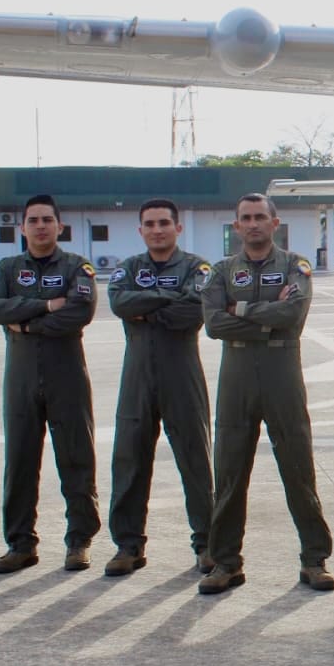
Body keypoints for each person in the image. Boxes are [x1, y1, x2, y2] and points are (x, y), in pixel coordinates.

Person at [197, 193, 334, 595]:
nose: (253, 223)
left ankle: (314, 559)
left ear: (275, 223)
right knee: (229, 469)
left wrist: (238, 309)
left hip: (281, 372)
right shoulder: (222, 270)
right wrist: (263, 315)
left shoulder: (295, 266)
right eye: (246, 218)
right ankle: (226, 562)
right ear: (236, 226)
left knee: (298, 467)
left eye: (261, 216)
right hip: (237, 375)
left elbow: (292, 315)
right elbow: (213, 324)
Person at [0, 195, 100, 573]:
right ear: (23, 228)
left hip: (67, 374)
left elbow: (79, 313)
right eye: (33, 220)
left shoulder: (77, 267)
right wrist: (45, 306)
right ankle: (20, 544)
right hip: (21, 377)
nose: (41, 226)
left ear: (60, 226)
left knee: (76, 457)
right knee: (20, 460)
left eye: (48, 219)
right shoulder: (8, 268)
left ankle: (79, 541)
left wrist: (25, 324)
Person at [103, 199, 215, 577]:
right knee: (129, 460)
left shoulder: (197, 268)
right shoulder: (128, 268)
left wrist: (146, 308)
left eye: (164, 223)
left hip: (181, 373)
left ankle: (207, 543)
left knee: (194, 460)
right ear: (140, 231)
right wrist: (169, 299)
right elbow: (119, 302)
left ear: (177, 228)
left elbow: (194, 310)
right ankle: (128, 546)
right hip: (137, 376)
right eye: (149, 224)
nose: (157, 230)